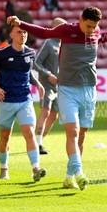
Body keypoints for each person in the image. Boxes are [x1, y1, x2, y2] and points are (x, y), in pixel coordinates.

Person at [7, 7, 107, 190]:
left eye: (94, 27)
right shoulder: (66, 30)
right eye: (88, 26)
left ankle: (68, 177)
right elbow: (44, 32)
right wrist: (20, 23)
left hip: (89, 90)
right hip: (67, 89)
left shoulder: (95, 32)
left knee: (82, 135)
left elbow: (103, 37)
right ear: (80, 20)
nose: (91, 30)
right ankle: (79, 173)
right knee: (73, 131)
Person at [0, 25, 46, 181]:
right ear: (11, 35)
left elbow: (28, 74)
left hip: (24, 100)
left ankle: (36, 168)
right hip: (6, 100)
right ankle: (3, 168)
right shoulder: (1, 54)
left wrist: (38, 84)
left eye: (25, 32)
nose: (23, 35)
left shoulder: (30, 52)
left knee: (29, 133)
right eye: (19, 32)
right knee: (5, 137)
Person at [34, 18, 66, 155]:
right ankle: (37, 144)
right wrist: (48, 75)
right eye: (63, 28)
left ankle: (37, 141)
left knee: (54, 116)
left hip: (58, 86)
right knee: (45, 112)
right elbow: (36, 63)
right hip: (46, 84)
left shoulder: (63, 45)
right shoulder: (48, 43)